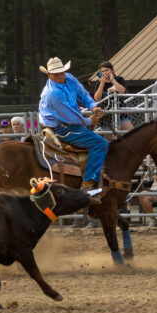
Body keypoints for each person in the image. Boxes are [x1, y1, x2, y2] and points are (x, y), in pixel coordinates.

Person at [38, 56, 107, 203]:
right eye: (56, 74)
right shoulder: (52, 94)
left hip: (68, 123)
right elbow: (71, 115)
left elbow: (83, 94)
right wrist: (90, 121)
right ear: (50, 75)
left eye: (62, 72)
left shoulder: (69, 78)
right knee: (100, 143)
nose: (61, 75)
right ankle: (88, 184)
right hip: (62, 128)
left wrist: (93, 107)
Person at [93, 61, 133, 131]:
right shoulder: (99, 83)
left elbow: (122, 91)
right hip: (105, 114)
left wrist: (113, 80)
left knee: (130, 131)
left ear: (112, 70)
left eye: (106, 70)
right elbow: (97, 99)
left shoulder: (119, 79)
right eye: (102, 71)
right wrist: (102, 83)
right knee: (109, 136)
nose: (105, 73)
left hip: (119, 112)